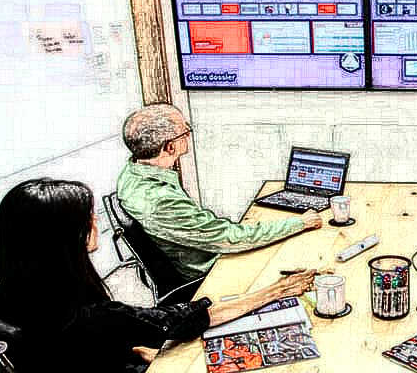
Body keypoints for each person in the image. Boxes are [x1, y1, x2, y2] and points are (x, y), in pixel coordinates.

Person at [0, 178, 316, 373]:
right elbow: (178, 321)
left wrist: (135, 349)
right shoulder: (87, 316)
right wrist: (275, 291)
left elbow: (87, 346)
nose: (96, 220)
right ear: (67, 238)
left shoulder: (17, 296)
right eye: (89, 217)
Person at [116, 103, 322, 281]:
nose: (188, 133)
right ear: (170, 147)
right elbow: (230, 238)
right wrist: (300, 222)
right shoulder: (161, 202)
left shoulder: (131, 173)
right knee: (306, 257)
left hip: (207, 248)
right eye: (185, 131)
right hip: (213, 268)